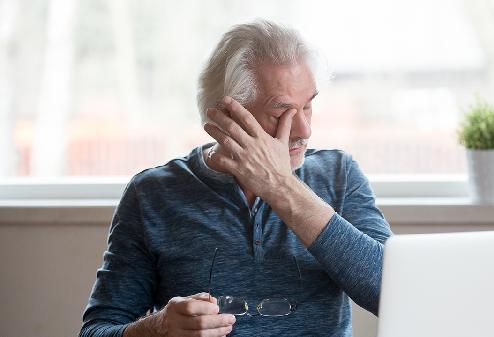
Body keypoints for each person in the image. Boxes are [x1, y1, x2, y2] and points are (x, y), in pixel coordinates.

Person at [79, 19, 392, 337]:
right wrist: (157, 328)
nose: (303, 131)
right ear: (228, 117)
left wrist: (280, 186)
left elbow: (393, 293)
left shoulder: (338, 174)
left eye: (308, 106)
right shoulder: (152, 194)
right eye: (280, 113)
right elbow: (97, 330)